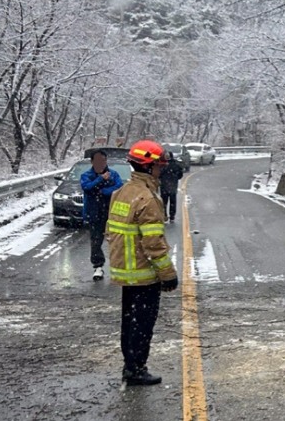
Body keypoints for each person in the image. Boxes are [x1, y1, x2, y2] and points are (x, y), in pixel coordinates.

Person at [106, 139, 179, 386]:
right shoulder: (147, 198)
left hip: (125, 272)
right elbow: (153, 244)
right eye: (159, 165)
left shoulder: (122, 192)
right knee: (142, 324)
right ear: (148, 167)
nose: (162, 169)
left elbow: (110, 232)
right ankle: (136, 369)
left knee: (129, 322)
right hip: (143, 273)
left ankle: (130, 364)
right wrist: (168, 275)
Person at [80, 149, 124, 281]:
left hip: (112, 212)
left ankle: (118, 265)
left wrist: (104, 191)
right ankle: (98, 266)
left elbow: (119, 187)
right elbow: (87, 187)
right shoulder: (86, 175)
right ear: (92, 162)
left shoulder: (113, 174)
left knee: (116, 240)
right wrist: (100, 179)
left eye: (103, 161)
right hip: (94, 213)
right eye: (97, 161)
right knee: (96, 241)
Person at [159, 153, 184, 223]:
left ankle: (164, 215)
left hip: (164, 186)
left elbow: (159, 174)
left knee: (164, 202)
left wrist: (162, 179)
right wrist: (174, 178)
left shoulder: (163, 165)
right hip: (173, 186)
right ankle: (172, 216)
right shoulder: (176, 165)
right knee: (173, 201)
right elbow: (180, 174)